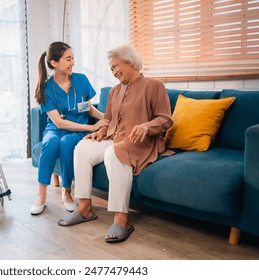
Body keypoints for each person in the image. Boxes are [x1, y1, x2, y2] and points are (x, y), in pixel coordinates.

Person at [58, 44, 173, 243]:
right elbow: (107, 121)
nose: (113, 72)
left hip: (141, 142)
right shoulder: (114, 91)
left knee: (113, 153)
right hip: (115, 139)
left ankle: (122, 220)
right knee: (82, 148)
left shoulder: (154, 86)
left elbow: (166, 119)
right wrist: (100, 133)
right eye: (111, 69)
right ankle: (84, 207)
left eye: (115, 66)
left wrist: (146, 126)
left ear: (130, 61)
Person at [30, 41, 108, 215]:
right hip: (56, 128)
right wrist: (91, 128)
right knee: (50, 143)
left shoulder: (80, 80)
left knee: (66, 143)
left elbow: (87, 107)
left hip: (76, 131)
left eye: (73, 58)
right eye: (68, 59)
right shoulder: (46, 88)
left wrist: (106, 119)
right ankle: (41, 195)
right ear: (54, 63)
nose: (72, 62)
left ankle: (66, 192)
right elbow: (58, 123)